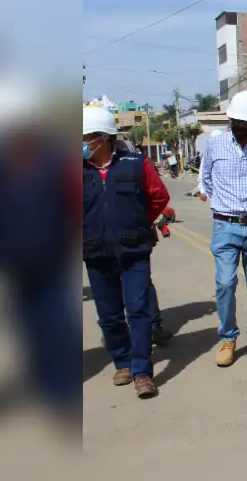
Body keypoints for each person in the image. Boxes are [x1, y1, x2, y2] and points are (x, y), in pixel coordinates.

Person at [82, 106, 170, 399]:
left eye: (86, 137)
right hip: (95, 253)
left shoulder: (136, 163)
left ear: (103, 138)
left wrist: (139, 223)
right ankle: (122, 362)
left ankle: (143, 371)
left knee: (139, 311)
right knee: (109, 316)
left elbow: (159, 196)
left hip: (134, 251)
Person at [201, 91, 247, 367]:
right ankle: (228, 339)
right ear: (230, 119)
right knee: (224, 284)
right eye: (237, 122)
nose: (242, 128)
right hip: (225, 224)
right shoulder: (215, 144)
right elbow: (206, 179)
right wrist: (222, 203)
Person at [112, 137, 173, 344]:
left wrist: (142, 220)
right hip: (107, 239)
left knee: (142, 282)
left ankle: (154, 325)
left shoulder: (134, 162)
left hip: (136, 235)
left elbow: (156, 196)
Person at [189, 129, 225, 199]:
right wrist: (202, 190)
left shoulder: (229, 153)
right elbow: (203, 173)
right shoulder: (208, 155)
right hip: (215, 193)